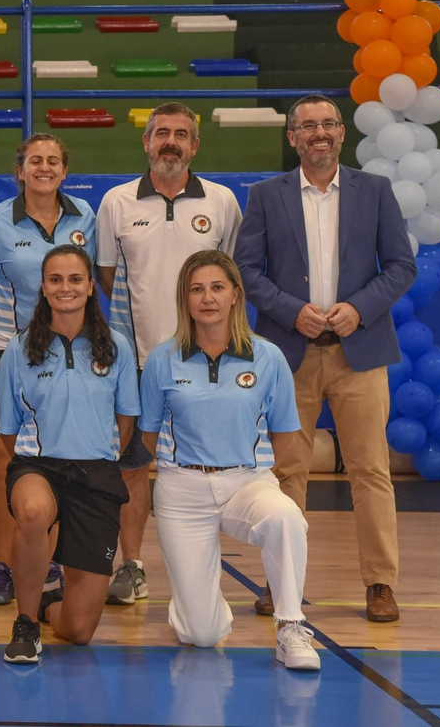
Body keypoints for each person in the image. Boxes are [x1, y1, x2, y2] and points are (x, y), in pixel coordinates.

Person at [235, 95, 416, 623]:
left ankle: (380, 583)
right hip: (289, 354)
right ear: (292, 137)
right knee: (287, 473)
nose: (319, 133)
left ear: (342, 134)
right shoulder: (266, 195)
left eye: (328, 124)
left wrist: (358, 309)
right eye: (307, 126)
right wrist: (294, 313)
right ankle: (280, 582)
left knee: (371, 472)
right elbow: (248, 270)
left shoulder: (375, 191)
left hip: (360, 352)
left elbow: (401, 267)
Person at [140, 250, 318, 671]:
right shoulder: (162, 360)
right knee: (202, 636)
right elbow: (146, 436)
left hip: (247, 482)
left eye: (217, 287)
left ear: (236, 294)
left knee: (285, 517)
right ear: (184, 299)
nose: (208, 298)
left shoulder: (268, 356)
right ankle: (198, 604)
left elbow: (287, 433)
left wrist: (264, 476)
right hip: (181, 491)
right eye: (196, 289)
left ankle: (291, 626)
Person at [94, 103, 241, 607]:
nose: (170, 142)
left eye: (181, 134)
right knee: (133, 466)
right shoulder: (116, 202)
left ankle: (198, 577)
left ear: (196, 146)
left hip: (207, 362)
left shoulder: (222, 202)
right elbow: (109, 278)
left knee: (205, 466)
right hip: (137, 362)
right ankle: (131, 566)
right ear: (147, 143)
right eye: (161, 134)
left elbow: (228, 281)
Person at [0, 132, 95, 608]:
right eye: (34, 160)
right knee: (0, 457)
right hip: (10, 351)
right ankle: (4, 565)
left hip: (73, 351)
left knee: (60, 452)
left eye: (53, 160)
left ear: (64, 170)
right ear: (19, 171)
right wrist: (19, 337)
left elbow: (92, 282)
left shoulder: (85, 216)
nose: (43, 168)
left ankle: (51, 559)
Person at [0, 245, 139, 665]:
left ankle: (48, 606)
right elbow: (8, 431)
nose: (65, 288)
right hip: (38, 467)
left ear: (91, 286)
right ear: (42, 288)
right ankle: (25, 623)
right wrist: (36, 463)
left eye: (75, 279)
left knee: (78, 632)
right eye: (55, 279)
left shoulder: (117, 347)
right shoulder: (18, 349)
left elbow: (126, 420)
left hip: (96, 476)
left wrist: (100, 452)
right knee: (34, 511)